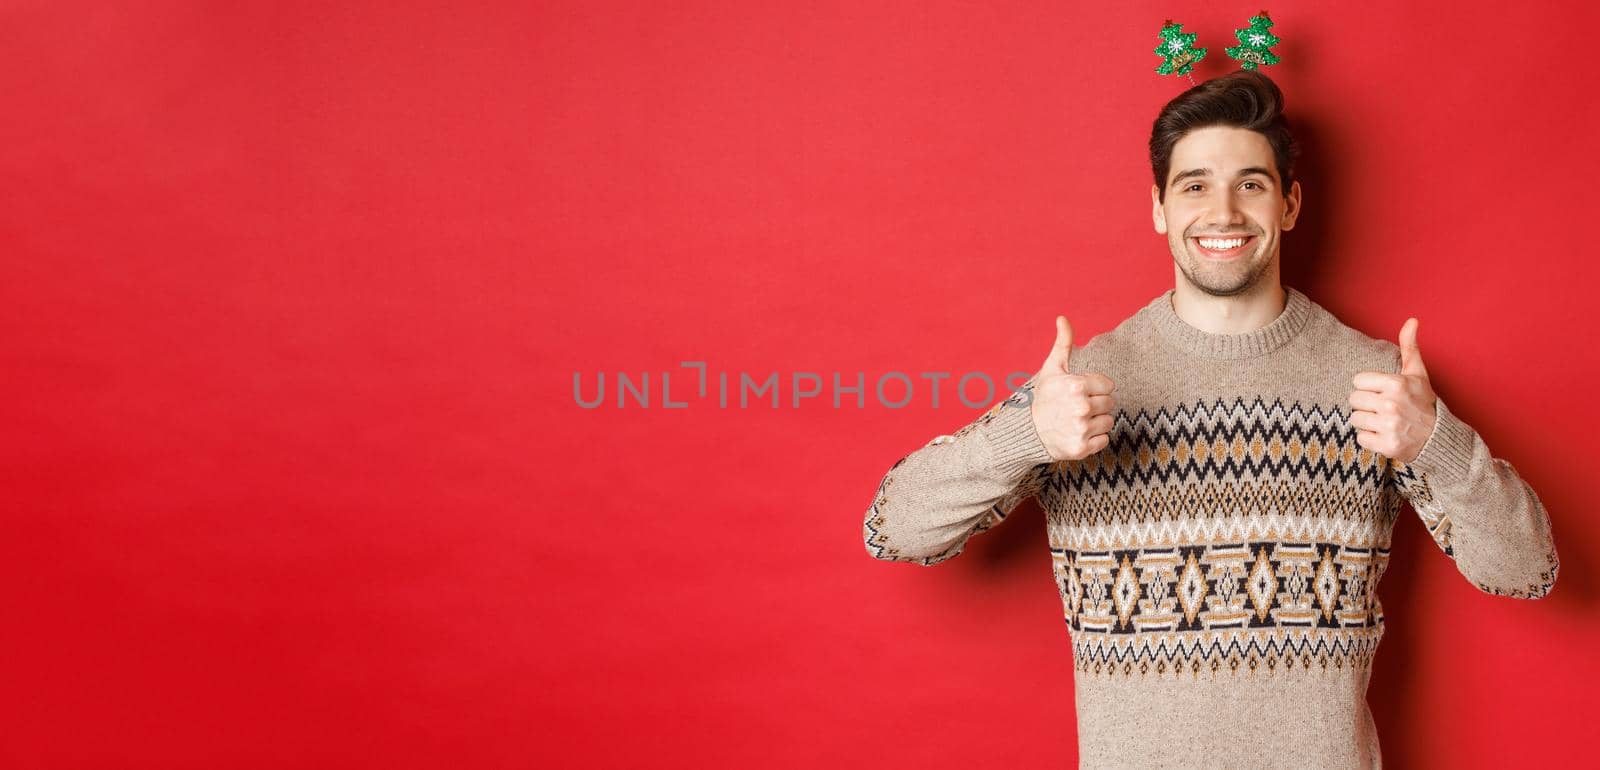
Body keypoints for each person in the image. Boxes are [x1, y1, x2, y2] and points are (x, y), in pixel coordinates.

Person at [860, 70, 1559, 769]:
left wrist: (1434, 444)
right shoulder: (1076, 391)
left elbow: (1527, 572)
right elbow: (892, 529)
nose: (1222, 212)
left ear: (1289, 204)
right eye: (1194, 185)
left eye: (1250, 184)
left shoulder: (1378, 384)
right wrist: (1023, 438)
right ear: (1159, 208)